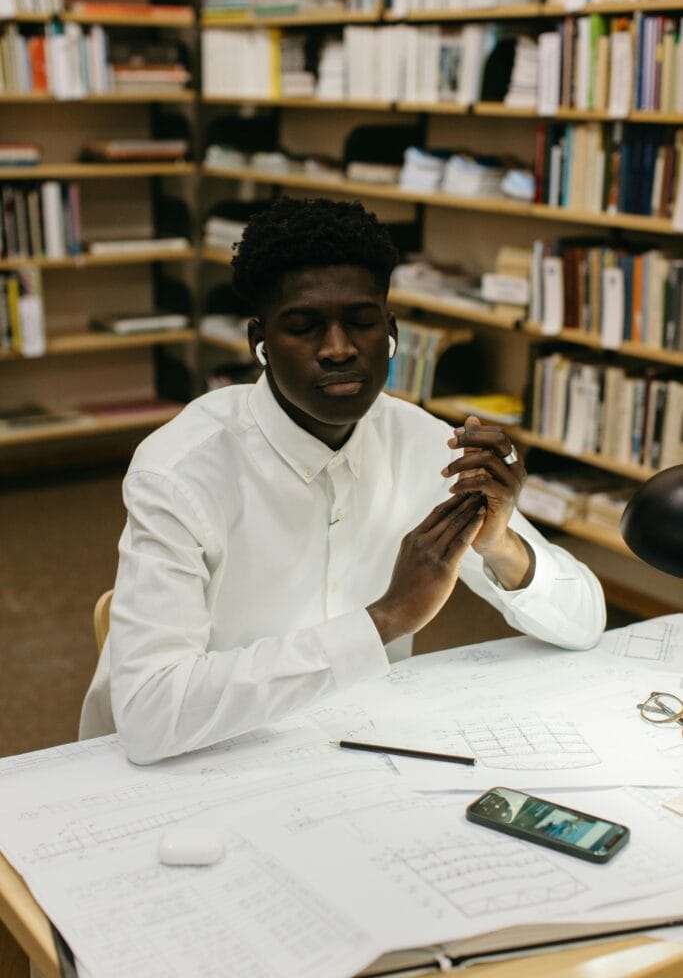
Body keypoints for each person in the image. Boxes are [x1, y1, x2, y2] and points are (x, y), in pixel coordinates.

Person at [79, 197, 606, 764]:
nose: (338, 349)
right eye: (304, 327)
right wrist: (386, 620)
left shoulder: (430, 446)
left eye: (360, 322)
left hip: (359, 748)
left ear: (391, 331)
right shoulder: (181, 471)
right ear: (259, 342)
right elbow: (152, 715)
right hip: (195, 761)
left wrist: (501, 545)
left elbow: (586, 621)